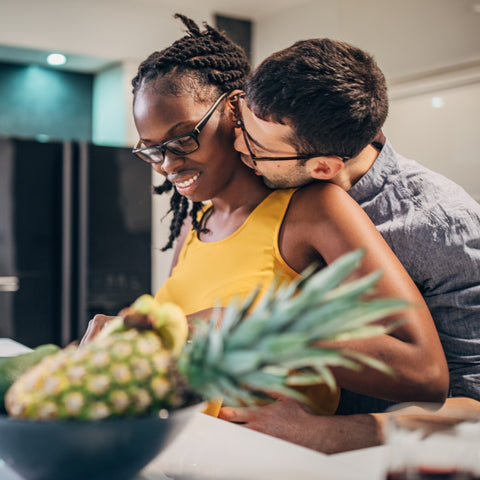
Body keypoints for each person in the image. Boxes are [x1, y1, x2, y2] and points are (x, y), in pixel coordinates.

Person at [83, 14, 448, 417]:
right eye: (151, 150)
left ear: (235, 107)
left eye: (184, 138)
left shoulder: (316, 210)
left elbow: (426, 373)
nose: (166, 165)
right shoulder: (194, 222)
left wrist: (248, 327)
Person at [221, 37, 480, 452]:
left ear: (323, 167)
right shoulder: (272, 181)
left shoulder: (443, 225)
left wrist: (331, 433)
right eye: (241, 128)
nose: (238, 148)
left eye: (256, 148)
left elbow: (474, 402)